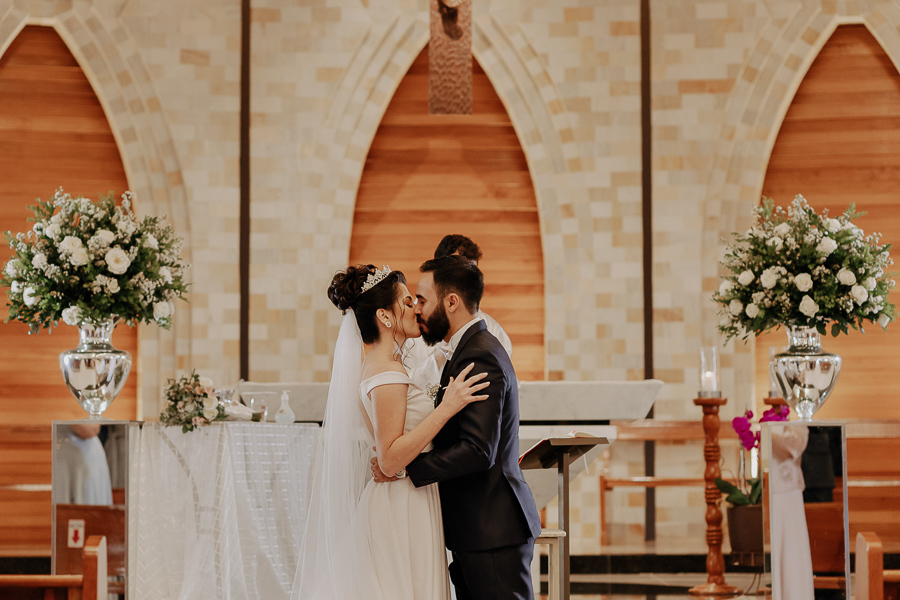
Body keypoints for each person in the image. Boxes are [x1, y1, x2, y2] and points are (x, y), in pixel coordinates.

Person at [291, 264, 489, 600]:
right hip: (402, 503)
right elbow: (389, 458)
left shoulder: (380, 365)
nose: (415, 307)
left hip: (405, 494)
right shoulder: (388, 373)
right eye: (407, 301)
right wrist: (446, 407)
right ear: (384, 317)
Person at [377, 255, 541, 600]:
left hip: (491, 528)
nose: (417, 308)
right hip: (476, 527)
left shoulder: (479, 354)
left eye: (422, 299)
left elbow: (478, 450)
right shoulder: (464, 351)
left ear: (451, 302)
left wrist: (405, 468)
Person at [406, 234, 511, 393]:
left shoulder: (494, 331)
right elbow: (406, 380)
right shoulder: (412, 322)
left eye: (472, 272)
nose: (466, 280)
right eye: (460, 271)